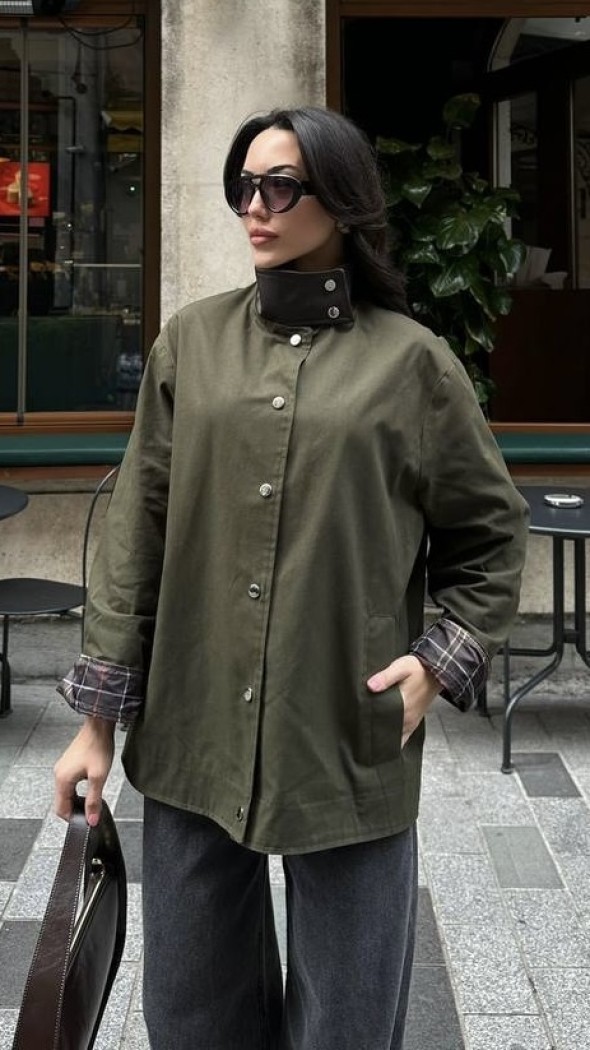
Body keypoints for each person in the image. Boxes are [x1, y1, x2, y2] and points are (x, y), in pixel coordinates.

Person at [54, 105, 529, 1050]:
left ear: (342, 200)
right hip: (191, 728)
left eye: (281, 186)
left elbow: (491, 533)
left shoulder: (414, 365)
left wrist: (438, 663)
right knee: (194, 1015)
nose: (255, 206)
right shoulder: (191, 345)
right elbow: (136, 534)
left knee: (347, 1023)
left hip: (346, 732)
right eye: (245, 186)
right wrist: (96, 723)